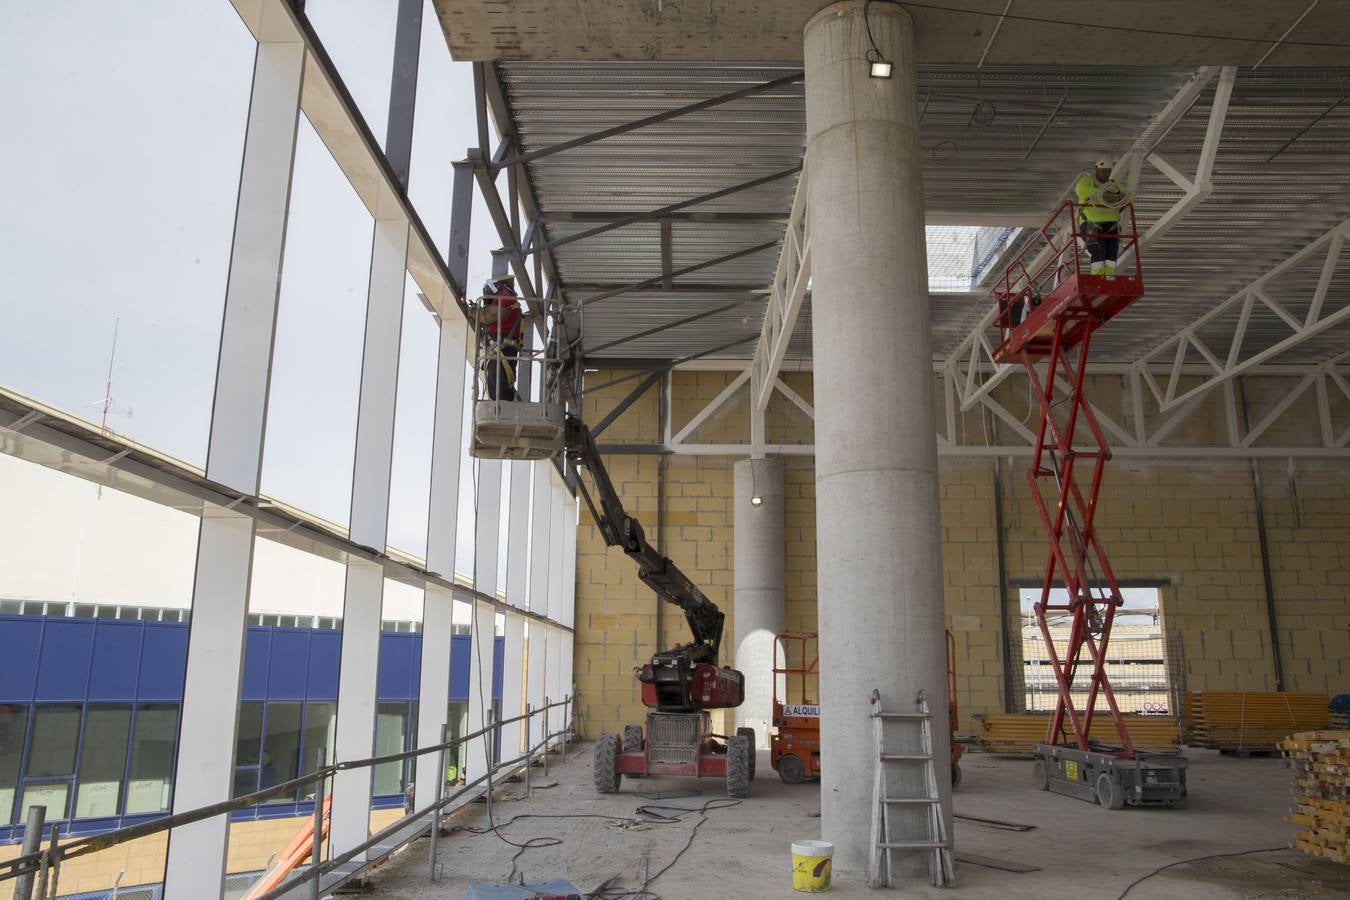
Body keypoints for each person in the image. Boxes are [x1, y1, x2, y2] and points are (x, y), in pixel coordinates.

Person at [1074, 157, 1130, 276]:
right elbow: (1080, 190)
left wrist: (1116, 196)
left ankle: (1109, 277)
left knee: (1112, 254)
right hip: (1091, 223)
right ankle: (1097, 277)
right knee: (1098, 252)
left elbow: (1127, 197)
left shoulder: (1114, 185)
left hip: (1111, 224)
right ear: (1096, 169)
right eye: (1104, 170)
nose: (1106, 174)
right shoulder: (1087, 181)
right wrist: (1103, 194)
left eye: (1108, 171)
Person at [478, 274, 524, 401]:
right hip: (502, 348)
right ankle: (503, 406)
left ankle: (502, 408)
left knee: (498, 386)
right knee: (497, 384)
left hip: (502, 350)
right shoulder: (507, 298)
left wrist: (471, 311)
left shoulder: (505, 296)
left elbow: (488, 315)